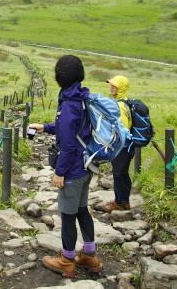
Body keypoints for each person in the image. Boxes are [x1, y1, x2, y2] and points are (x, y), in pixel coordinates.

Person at [28, 55, 102, 277]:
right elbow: (74, 130)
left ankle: (67, 260)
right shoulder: (81, 96)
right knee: (81, 210)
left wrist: (60, 173)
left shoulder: (69, 104)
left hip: (73, 169)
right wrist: (46, 127)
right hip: (86, 165)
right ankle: (90, 255)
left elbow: (69, 145)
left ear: (61, 77)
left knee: (68, 214)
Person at [99, 75, 134, 212]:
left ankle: (118, 203)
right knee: (123, 173)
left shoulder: (120, 106)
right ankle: (125, 202)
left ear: (121, 88)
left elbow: (123, 129)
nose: (111, 86)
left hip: (122, 146)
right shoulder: (124, 102)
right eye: (111, 84)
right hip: (128, 146)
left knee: (118, 174)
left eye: (115, 85)